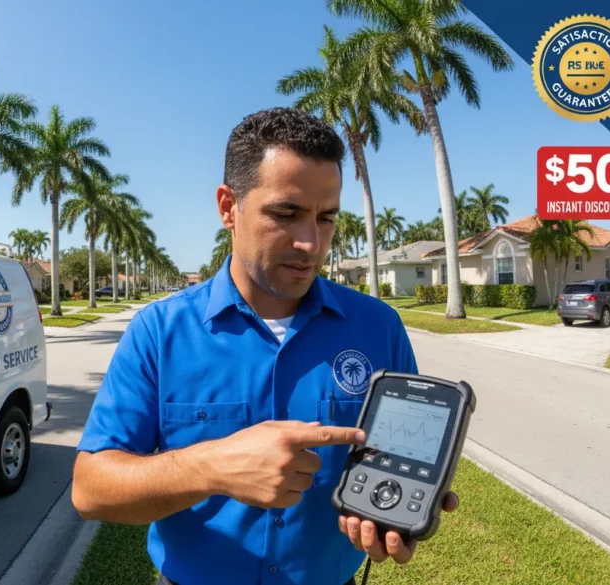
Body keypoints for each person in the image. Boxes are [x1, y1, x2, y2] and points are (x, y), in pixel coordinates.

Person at [71, 107, 459, 585]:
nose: (311, 243)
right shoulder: (159, 331)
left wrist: (394, 511)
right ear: (228, 207)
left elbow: (399, 456)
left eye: (326, 218)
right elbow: (91, 489)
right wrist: (213, 467)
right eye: (286, 214)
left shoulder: (379, 327)